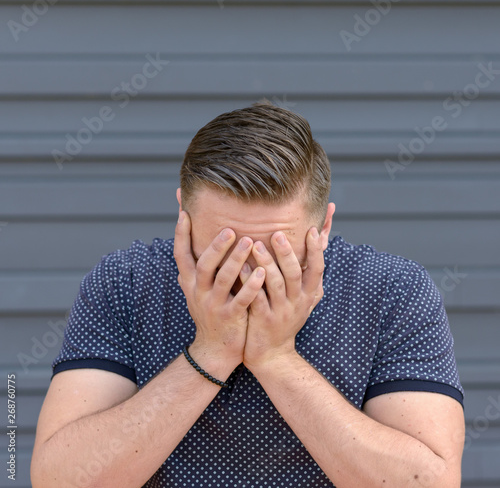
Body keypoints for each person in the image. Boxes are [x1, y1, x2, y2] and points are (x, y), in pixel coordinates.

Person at [31, 101, 465, 487]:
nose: (246, 280)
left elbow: (429, 481)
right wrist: (209, 353)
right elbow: (60, 479)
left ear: (324, 230)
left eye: (274, 257)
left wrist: (276, 359)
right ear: (182, 215)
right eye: (221, 252)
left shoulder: (391, 290)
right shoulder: (126, 281)